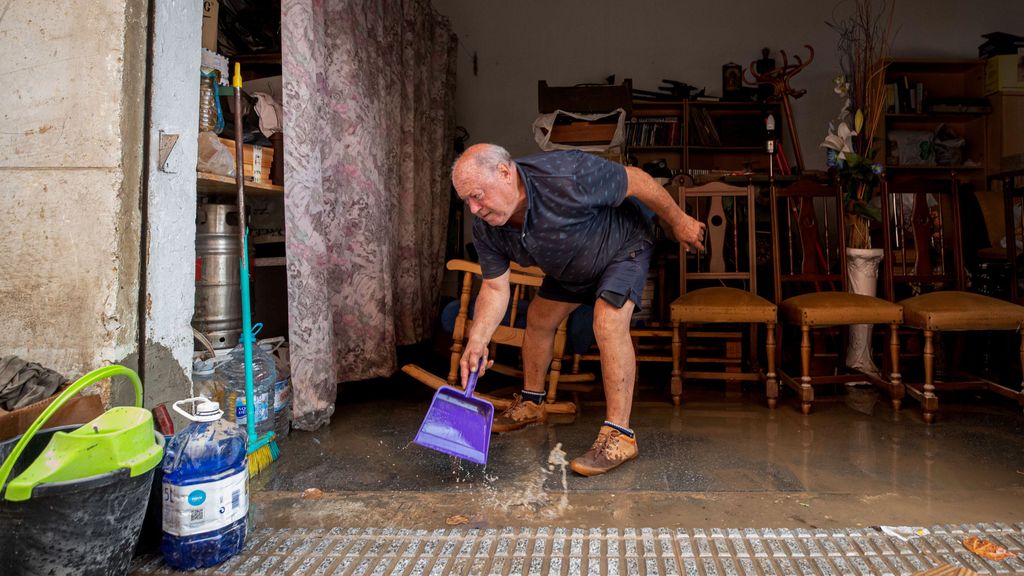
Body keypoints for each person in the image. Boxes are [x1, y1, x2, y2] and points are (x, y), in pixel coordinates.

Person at [450, 144, 705, 476]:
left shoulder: (567, 174)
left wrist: (679, 220)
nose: (474, 208)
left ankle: (620, 435)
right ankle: (532, 403)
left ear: (504, 172)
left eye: (478, 195)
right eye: (467, 200)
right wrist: (477, 340)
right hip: (571, 265)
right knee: (539, 318)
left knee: (608, 321)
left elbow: (637, 180)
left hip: (622, 246)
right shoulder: (488, 226)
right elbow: (496, 286)